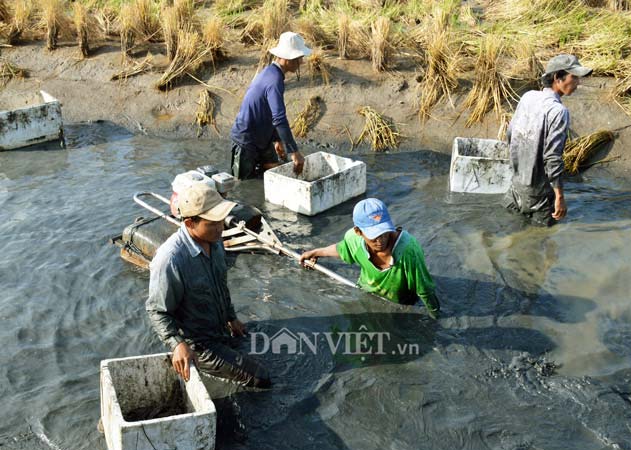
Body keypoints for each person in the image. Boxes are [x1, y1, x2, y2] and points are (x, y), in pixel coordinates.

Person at [146, 183, 270, 388]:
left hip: (219, 327)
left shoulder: (215, 241)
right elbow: (156, 311)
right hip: (198, 344)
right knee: (260, 378)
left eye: (221, 221)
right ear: (189, 223)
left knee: (265, 340)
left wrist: (231, 317)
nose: (220, 228)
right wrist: (178, 344)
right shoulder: (170, 260)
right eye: (212, 223)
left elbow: (221, 283)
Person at [299, 198, 440, 319]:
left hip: (401, 304)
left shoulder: (409, 251)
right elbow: (342, 249)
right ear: (358, 232)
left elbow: (425, 289)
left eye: (384, 232)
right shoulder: (353, 239)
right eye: (374, 236)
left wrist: (435, 317)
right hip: (366, 293)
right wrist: (315, 252)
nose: (381, 240)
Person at [503, 54, 592, 226]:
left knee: (515, 233)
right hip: (539, 193)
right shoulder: (558, 111)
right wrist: (560, 197)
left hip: (516, 186)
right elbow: (552, 157)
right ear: (558, 78)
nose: (577, 83)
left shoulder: (528, 97)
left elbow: (510, 134)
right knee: (542, 238)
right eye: (574, 77)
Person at [230, 31, 312, 180]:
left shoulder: (271, 73)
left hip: (263, 137)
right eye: (299, 58)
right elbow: (279, 119)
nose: (301, 62)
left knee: (274, 173)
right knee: (243, 184)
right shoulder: (274, 81)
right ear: (288, 59)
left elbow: (268, 112)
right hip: (246, 140)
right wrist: (294, 152)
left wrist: (277, 139)